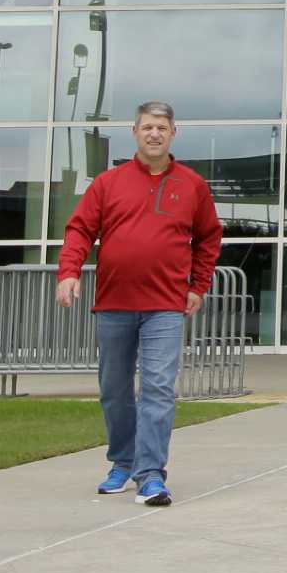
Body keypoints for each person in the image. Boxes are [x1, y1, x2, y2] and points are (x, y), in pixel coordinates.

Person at [55, 102, 221, 509]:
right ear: (135, 132)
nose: (154, 134)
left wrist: (198, 286)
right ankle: (122, 462)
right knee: (114, 390)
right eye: (147, 127)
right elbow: (80, 229)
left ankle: (151, 475)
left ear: (172, 134)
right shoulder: (108, 184)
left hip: (166, 306)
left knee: (158, 389)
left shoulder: (192, 185)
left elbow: (208, 239)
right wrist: (69, 271)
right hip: (114, 303)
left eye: (161, 127)